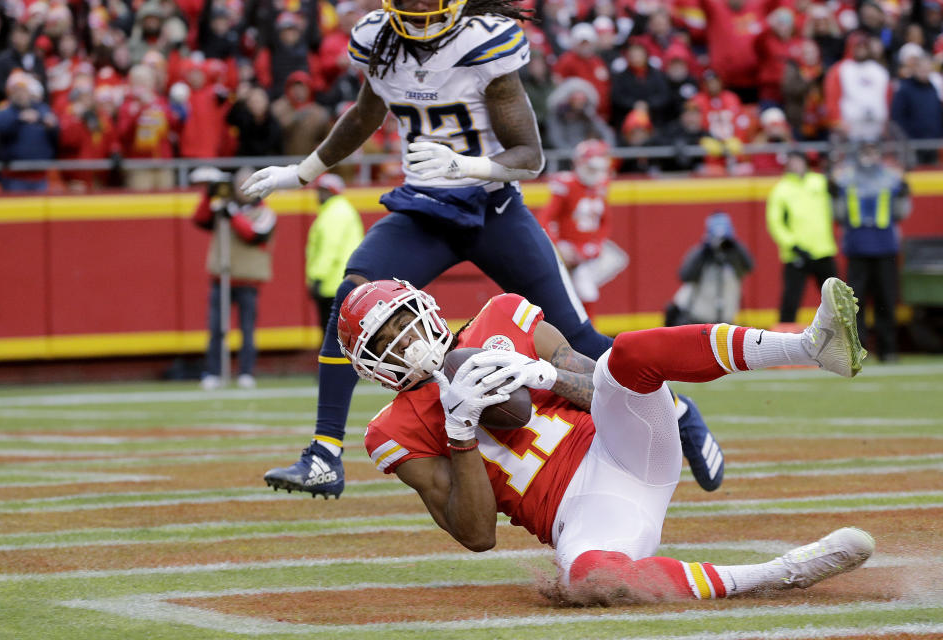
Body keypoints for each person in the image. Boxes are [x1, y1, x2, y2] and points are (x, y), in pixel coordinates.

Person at [243, 0, 722, 499]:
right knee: (352, 299)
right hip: (423, 213)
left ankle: (676, 410)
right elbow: (366, 113)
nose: (420, 7)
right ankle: (324, 454)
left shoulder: (485, 41)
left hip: (492, 209)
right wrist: (301, 172)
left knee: (577, 336)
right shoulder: (377, 39)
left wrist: (464, 165)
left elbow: (529, 157)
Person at [345, 277, 871, 604]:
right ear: (370, 365)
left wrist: (539, 374)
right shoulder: (390, 431)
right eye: (385, 341)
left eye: (402, 324)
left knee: (629, 357)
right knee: (586, 577)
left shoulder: (500, 317)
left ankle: (810, 344)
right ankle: (780, 573)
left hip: (621, 446)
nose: (405, 343)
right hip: (587, 515)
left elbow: (596, 381)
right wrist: (459, 433)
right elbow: (478, 534)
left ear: (424, 308)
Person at [192, 167, 277, 390]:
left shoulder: (265, 212)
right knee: (217, 329)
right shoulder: (223, 208)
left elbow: (254, 235)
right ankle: (214, 372)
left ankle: (246, 372)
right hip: (222, 277)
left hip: (248, 280)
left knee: (247, 330)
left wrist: (233, 215)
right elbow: (200, 219)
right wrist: (210, 195)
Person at [832, 142, 911, 362]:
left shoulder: (890, 178)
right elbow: (838, 213)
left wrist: (904, 195)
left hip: (885, 246)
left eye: (873, 152)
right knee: (856, 303)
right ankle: (859, 349)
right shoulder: (846, 179)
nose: (869, 157)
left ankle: (888, 349)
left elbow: (901, 212)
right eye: (865, 153)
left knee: (885, 299)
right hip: (857, 247)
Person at [539, 139, 628, 316]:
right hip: (567, 246)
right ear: (579, 164)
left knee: (616, 260)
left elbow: (605, 222)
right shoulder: (567, 185)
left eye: (599, 169)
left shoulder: (601, 187)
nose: (596, 174)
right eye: (591, 168)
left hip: (587, 248)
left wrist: (596, 244)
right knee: (582, 288)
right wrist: (558, 247)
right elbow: (545, 219)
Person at [766, 150, 839, 324]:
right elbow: (775, 223)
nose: (795, 165)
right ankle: (783, 342)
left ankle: (844, 341)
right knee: (790, 301)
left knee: (836, 302)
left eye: (798, 160)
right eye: (791, 161)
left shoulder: (819, 181)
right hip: (797, 254)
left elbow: (838, 197)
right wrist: (793, 245)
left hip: (823, 250)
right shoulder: (781, 189)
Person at [665, 212, 753, 326]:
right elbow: (684, 275)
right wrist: (705, 249)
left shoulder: (734, 255)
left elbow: (749, 266)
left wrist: (733, 244)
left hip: (723, 322)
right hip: (694, 319)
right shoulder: (702, 254)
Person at [306, 173, 364, 335]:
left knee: (332, 335)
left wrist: (317, 278)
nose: (318, 195)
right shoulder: (340, 210)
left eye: (323, 191)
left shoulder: (334, 212)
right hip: (340, 282)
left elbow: (329, 249)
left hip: (332, 284)